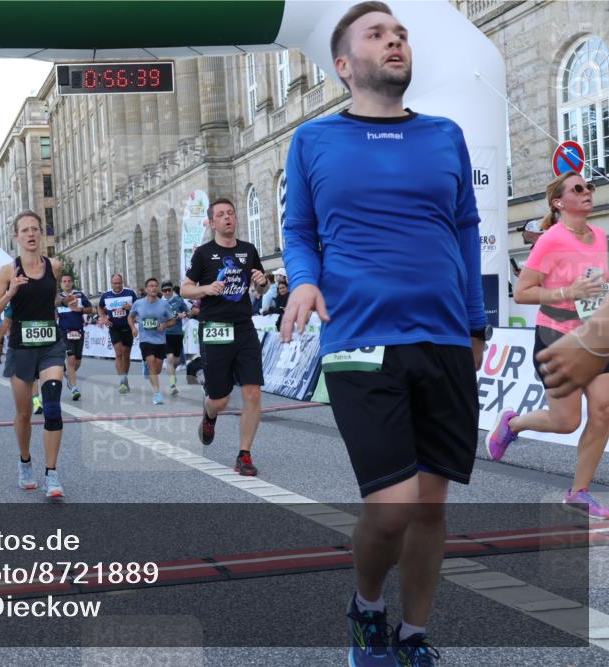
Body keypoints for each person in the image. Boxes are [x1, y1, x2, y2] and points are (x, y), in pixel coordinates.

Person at [280, 4, 487, 664]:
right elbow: (298, 230)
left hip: (446, 337)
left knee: (430, 507)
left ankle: (413, 635)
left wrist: (476, 320)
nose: (395, 40)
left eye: (400, 33)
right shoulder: (313, 141)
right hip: (359, 339)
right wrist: (305, 280)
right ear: (344, 65)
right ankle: (367, 608)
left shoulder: (445, 134)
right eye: (377, 34)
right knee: (392, 507)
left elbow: (465, 227)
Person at [487, 172, 608, 518]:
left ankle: (579, 492)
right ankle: (512, 425)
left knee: (603, 410)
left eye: (590, 187)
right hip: (558, 337)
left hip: (596, 337)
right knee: (566, 421)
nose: (588, 192)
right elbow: (524, 292)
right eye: (578, 189)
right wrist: (567, 293)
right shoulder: (551, 240)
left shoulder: (601, 237)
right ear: (559, 202)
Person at [0, 211, 72, 498]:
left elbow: (50, 298)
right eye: (25, 230)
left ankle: (52, 474)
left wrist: (64, 300)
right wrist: (10, 292)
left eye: (35, 229)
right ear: (16, 237)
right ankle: (25, 462)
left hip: (50, 345)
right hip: (22, 347)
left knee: (51, 405)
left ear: (41, 233)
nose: (31, 234)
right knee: (24, 414)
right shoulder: (7, 271)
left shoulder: (55, 266)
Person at [181, 198, 267, 474]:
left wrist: (262, 285)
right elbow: (185, 289)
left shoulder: (249, 250)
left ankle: (244, 454)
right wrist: (205, 289)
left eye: (231, 213)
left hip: (244, 328)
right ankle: (209, 413)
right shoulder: (203, 254)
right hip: (215, 328)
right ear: (212, 222)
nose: (227, 218)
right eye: (221, 214)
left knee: (253, 392)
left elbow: (260, 287)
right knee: (221, 399)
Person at [129, 278, 177, 405]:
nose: (154, 288)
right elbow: (131, 316)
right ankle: (157, 394)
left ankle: (146, 367)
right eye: (151, 286)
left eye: (156, 286)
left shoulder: (164, 304)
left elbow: (173, 320)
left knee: (158, 369)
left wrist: (164, 325)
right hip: (146, 339)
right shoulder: (138, 303)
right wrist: (133, 327)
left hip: (160, 340)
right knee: (151, 364)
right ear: (146, 289)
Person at [98, 274, 138, 394]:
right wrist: (104, 318)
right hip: (114, 327)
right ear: (111, 283)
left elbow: (139, 308)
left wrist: (130, 307)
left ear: (122, 282)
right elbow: (100, 308)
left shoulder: (130, 293)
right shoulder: (106, 295)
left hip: (128, 327)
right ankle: (122, 381)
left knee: (126, 355)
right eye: (115, 283)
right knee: (119, 353)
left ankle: (125, 378)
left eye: (119, 283)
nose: (117, 285)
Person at [57, 274, 93, 400]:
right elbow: (53, 313)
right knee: (71, 360)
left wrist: (81, 310)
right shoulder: (58, 298)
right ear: (61, 284)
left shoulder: (80, 295)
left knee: (77, 362)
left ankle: (68, 375)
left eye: (68, 281)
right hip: (64, 332)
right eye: (64, 281)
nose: (66, 283)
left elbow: (91, 309)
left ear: (72, 283)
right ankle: (74, 388)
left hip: (78, 331)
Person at [161, 280, 190, 395]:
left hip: (177, 333)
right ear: (162, 291)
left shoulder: (178, 300)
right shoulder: (159, 302)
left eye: (169, 290)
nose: (167, 292)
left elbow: (188, 312)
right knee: (170, 359)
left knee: (176, 360)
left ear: (172, 290)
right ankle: (172, 384)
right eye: (165, 291)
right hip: (165, 334)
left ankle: (172, 373)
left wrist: (183, 315)